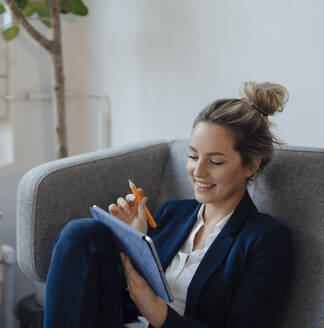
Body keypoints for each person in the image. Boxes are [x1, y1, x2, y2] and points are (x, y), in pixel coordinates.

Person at [44, 82, 294, 328]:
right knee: (84, 233)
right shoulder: (172, 213)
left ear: (251, 165)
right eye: (193, 156)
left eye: (215, 162)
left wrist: (159, 313)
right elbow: (121, 294)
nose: (198, 171)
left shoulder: (266, 239)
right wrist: (131, 241)